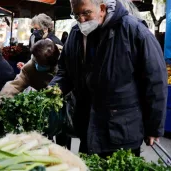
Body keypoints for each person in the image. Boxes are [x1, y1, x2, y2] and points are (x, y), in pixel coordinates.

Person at [49, 0, 167, 157]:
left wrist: (154, 127)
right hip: (88, 125)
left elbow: (155, 81)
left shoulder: (134, 31)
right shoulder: (76, 34)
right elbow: (65, 71)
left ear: (102, 9)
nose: (81, 19)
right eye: (76, 14)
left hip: (121, 130)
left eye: (85, 13)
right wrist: (55, 88)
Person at [0, 39, 60, 112]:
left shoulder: (63, 66)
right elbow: (15, 85)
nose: (37, 65)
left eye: (41, 64)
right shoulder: (30, 67)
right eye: (36, 61)